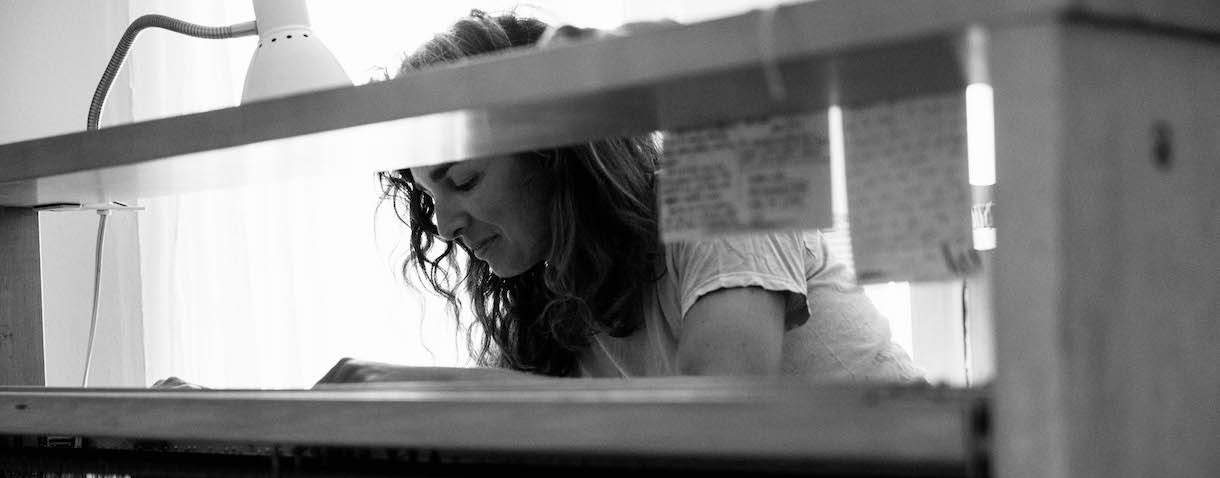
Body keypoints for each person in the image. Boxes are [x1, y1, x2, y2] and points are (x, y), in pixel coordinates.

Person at [317, 9, 922, 385]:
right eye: (430, 196)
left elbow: (717, 413)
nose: (445, 226)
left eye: (465, 180)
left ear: (552, 149)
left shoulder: (721, 176)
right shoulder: (551, 298)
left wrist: (432, 391)